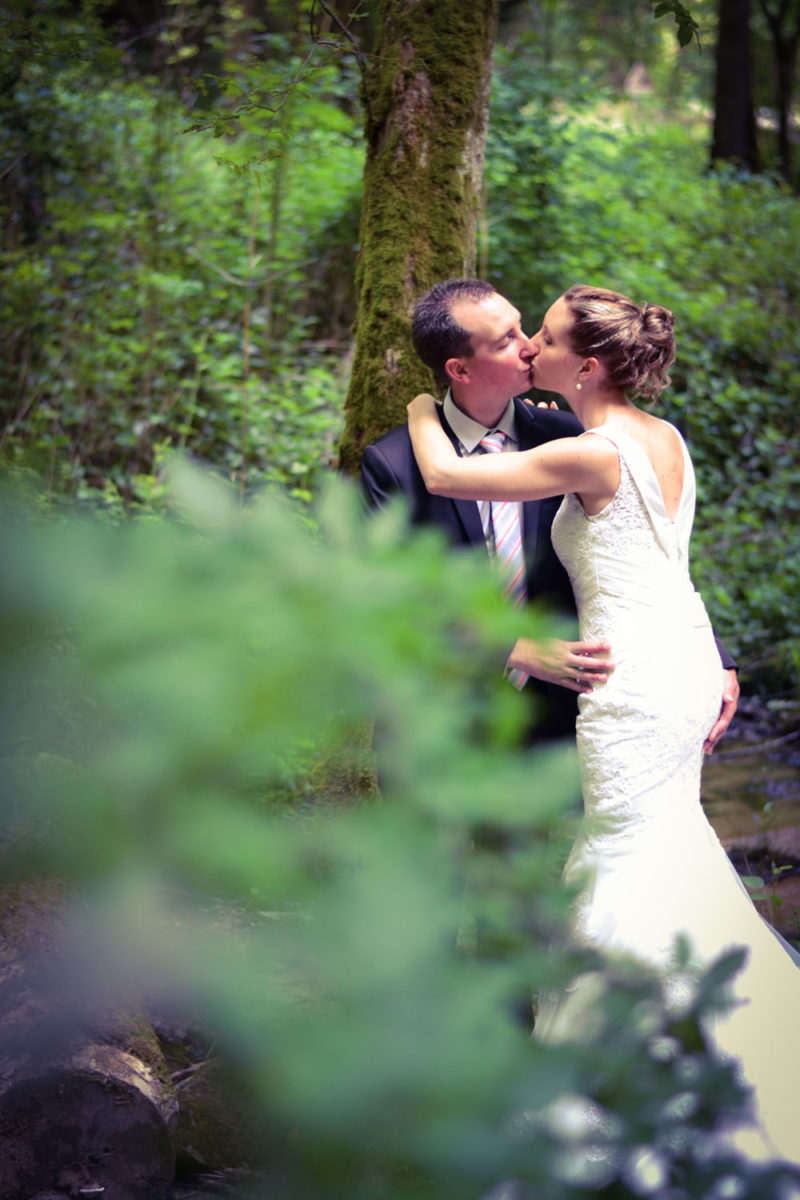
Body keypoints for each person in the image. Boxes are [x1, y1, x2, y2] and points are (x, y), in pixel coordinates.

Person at [406, 283, 800, 1166]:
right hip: (680, 665)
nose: (529, 350)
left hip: (627, 684)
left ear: (585, 365)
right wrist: (718, 662)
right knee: (667, 848)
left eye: (540, 337)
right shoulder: (664, 439)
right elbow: (668, 569)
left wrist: (416, 404)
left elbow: (443, 473)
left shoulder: (591, 454)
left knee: (623, 859)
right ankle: (705, 1043)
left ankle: (617, 1087)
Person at [361, 278, 738, 750]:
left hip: (571, 712)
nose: (529, 347)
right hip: (438, 721)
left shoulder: (573, 438)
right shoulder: (393, 462)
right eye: (508, 340)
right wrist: (516, 650)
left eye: (529, 329)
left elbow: (650, 551)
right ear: (458, 368)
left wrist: (716, 655)